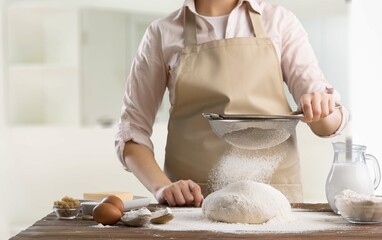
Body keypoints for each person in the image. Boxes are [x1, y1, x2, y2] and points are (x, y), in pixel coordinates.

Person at [115, 0, 349, 207]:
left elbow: (326, 125)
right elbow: (131, 133)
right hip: (193, 203)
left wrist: (320, 108)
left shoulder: (279, 22)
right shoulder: (161, 33)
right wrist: (162, 187)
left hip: (275, 202)